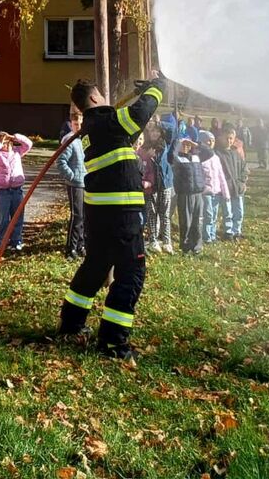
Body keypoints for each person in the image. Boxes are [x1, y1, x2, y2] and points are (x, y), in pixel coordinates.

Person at [57, 75, 164, 360]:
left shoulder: (97, 128)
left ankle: (71, 324)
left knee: (95, 266)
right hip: (120, 212)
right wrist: (157, 89)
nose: (106, 99)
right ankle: (113, 342)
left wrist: (142, 93)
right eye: (102, 95)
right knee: (131, 272)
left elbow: (127, 131)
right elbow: (140, 114)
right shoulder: (106, 122)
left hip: (101, 212)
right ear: (94, 99)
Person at [0, 131, 33, 252]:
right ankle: (1, 241)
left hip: (17, 190)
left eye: (8, 142)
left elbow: (28, 144)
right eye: (3, 143)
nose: (6, 145)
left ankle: (16, 240)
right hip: (3, 191)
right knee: (3, 218)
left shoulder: (17, 152)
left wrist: (15, 137)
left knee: (17, 217)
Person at [56, 113, 86, 259]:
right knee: (76, 216)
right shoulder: (70, 140)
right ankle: (70, 248)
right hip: (75, 184)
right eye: (75, 124)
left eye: (80, 123)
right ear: (71, 124)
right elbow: (60, 161)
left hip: (85, 183)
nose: (78, 127)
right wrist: (72, 176)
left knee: (84, 216)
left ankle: (81, 245)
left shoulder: (83, 140)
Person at [171, 136, 206, 254]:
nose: (186, 147)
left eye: (188, 145)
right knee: (186, 221)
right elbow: (171, 155)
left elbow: (210, 153)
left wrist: (196, 144)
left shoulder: (196, 157)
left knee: (198, 220)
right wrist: (178, 144)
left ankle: (197, 246)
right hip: (185, 193)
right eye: (184, 145)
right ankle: (185, 246)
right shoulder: (177, 158)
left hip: (198, 193)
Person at [142, 132, 175, 254]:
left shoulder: (166, 145)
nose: (154, 134)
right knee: (152, 214)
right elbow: (141, 166)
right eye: (151, 131)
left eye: (156, 131)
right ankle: (153, 241)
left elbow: (172, 129)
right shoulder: (144, 149)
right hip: (151, 186)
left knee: (165, 214)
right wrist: (147, 156)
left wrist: (159, 123)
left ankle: (167, 242)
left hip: (165, 184)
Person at [200, 131, 231, 243]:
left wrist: (226, 193)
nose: (210, 143)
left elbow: (221, 176)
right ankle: (206, 237)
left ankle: (212, 235)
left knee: (214, 215)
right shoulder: (200, 157)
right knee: (208, 215)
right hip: (206, 192)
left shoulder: (216, 157)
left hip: (216, 192)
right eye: (208, 140)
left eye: (212, 141)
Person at [220, 125, 249, 240]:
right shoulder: (219, 154)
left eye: (231, 138)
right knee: (228, 211)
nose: (229, 141)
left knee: (239, 211)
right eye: (227, 138)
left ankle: (237, 231)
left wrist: (242, 181)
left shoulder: (236, 154)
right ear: (222, 138)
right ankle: (228, 232)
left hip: (238, 188)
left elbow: (244, 169)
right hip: (226, 188)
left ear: (234, 139)